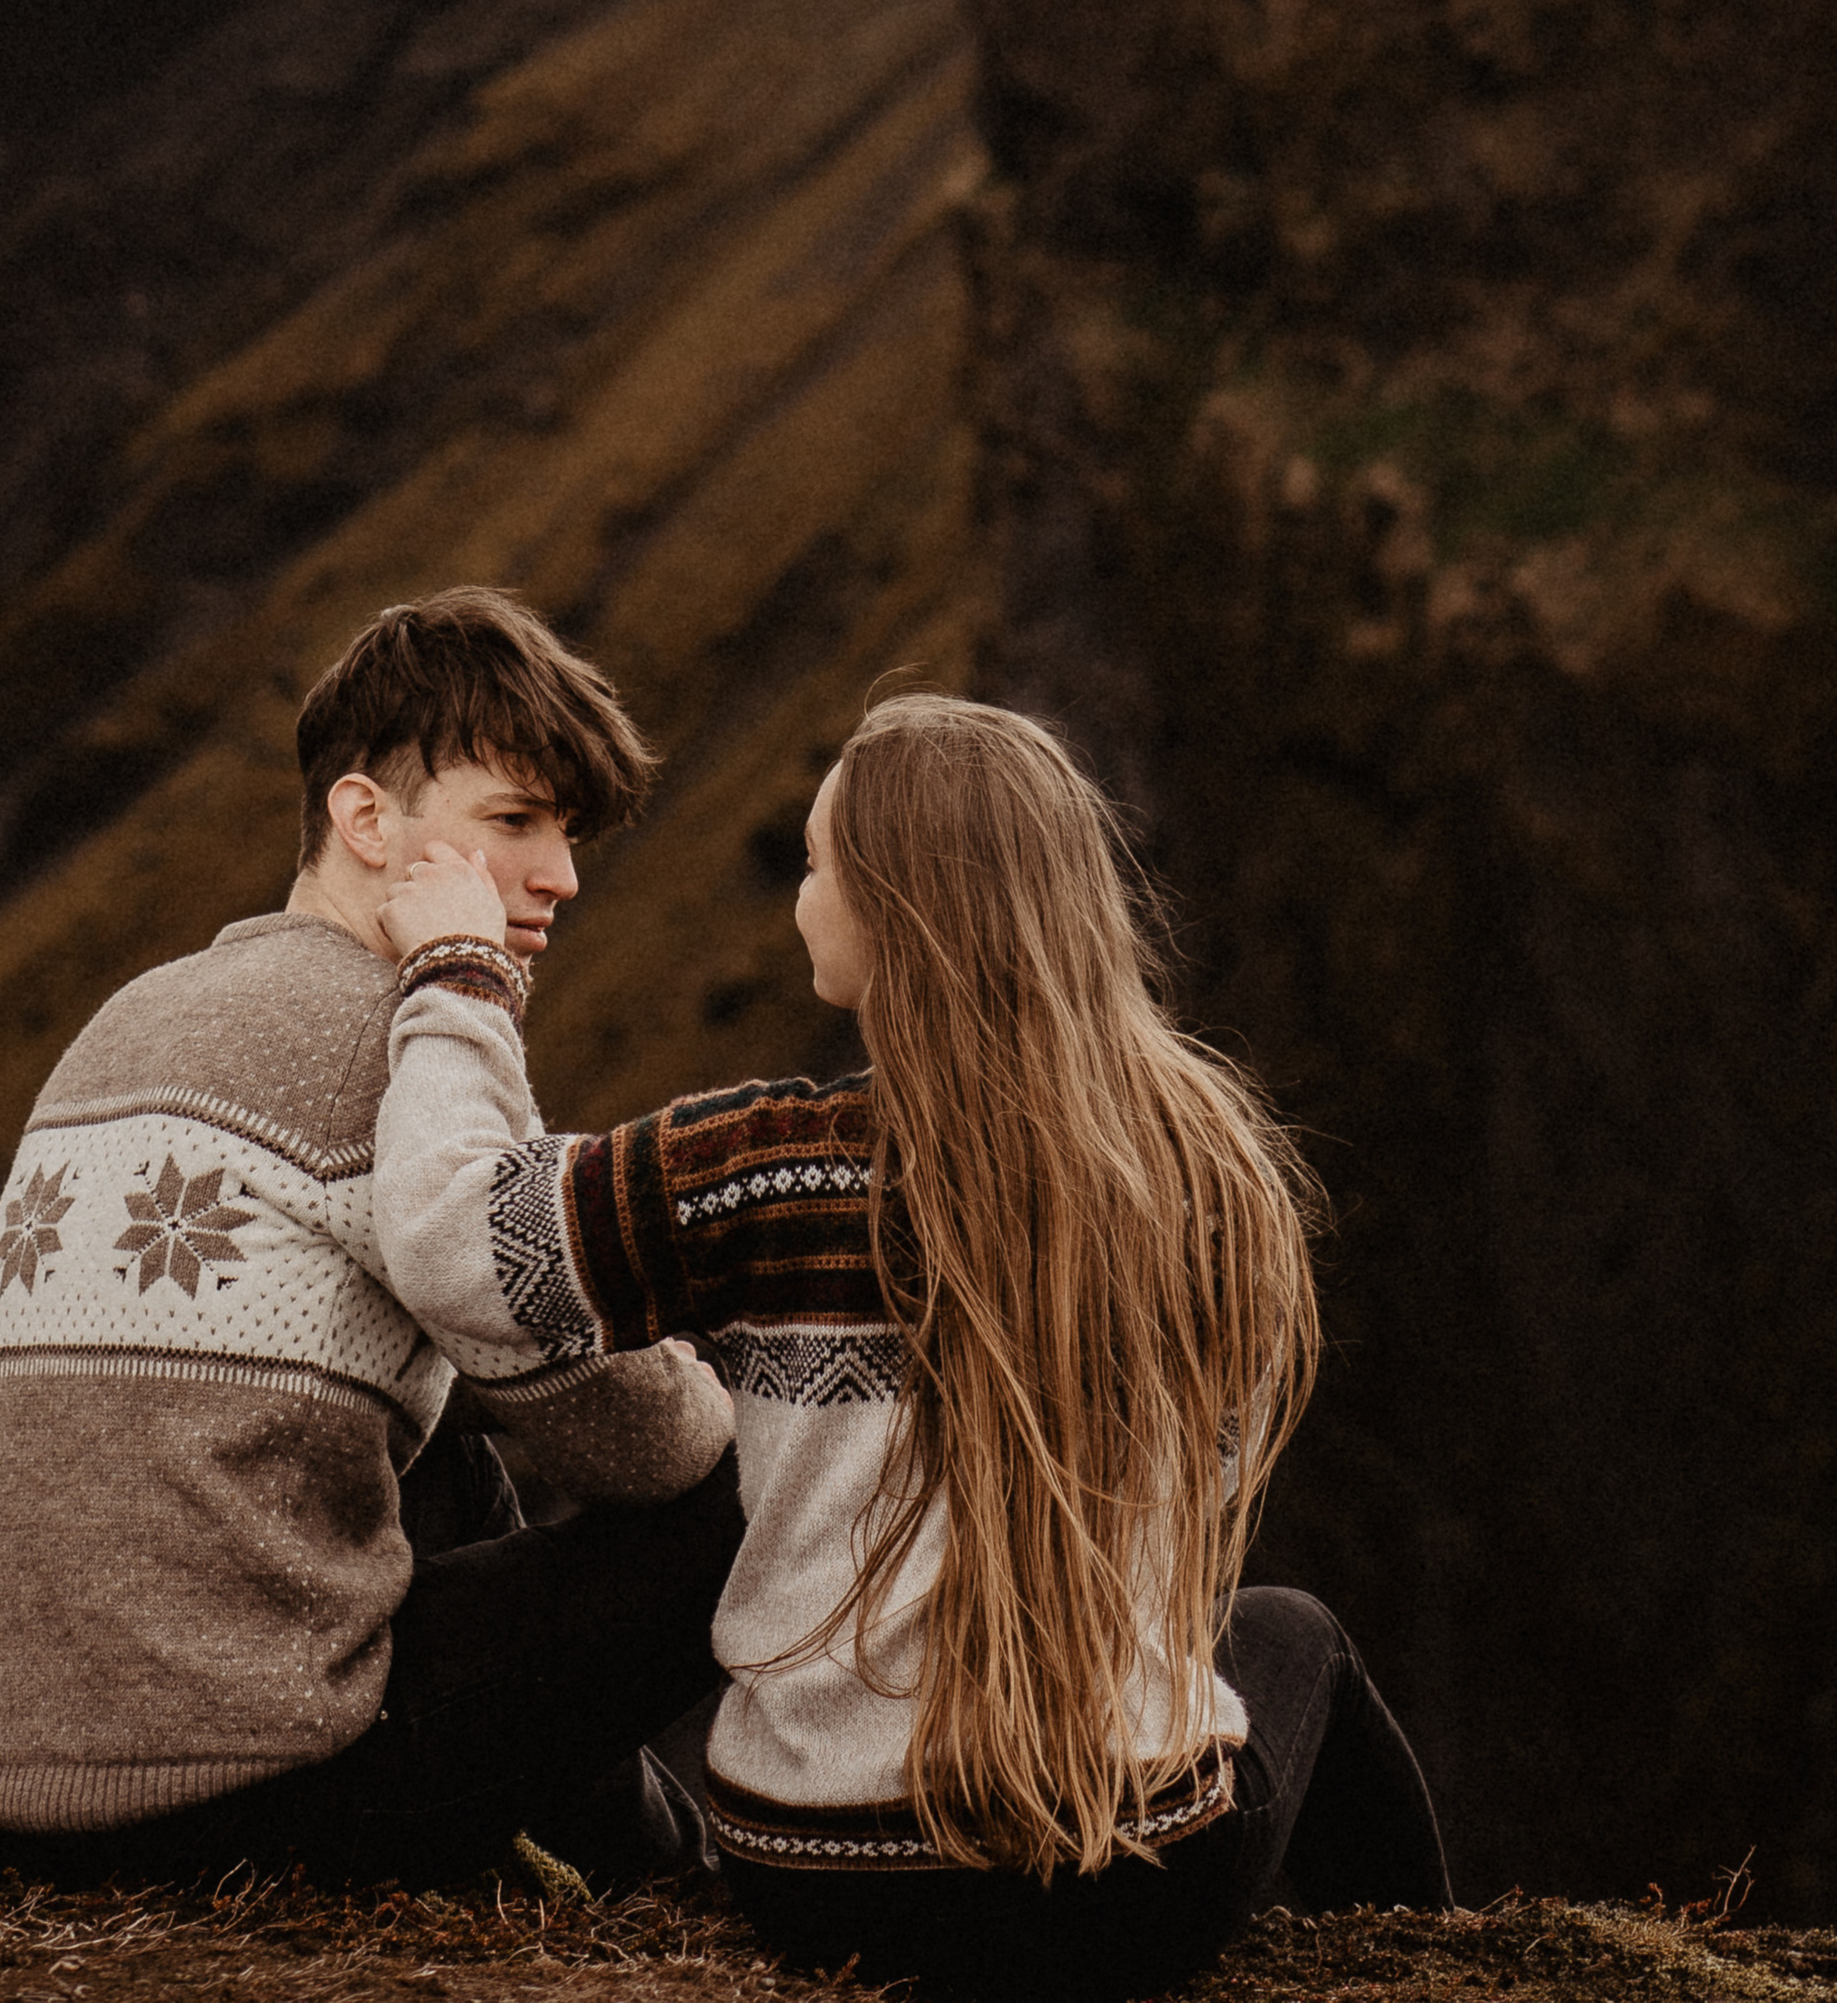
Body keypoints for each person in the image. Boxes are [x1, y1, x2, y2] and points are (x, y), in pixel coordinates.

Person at [374, 691, 1452, 1998]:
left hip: (823, 1882)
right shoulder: (1211, 1175)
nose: (800, 895)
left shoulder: (767, 1174)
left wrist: (458, 974)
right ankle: (1440, 1966)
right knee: (1293, 1633)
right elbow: (1210, 1491)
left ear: (894, 907)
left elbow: (451, 1243)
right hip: (1137, 1889)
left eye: (821, 864)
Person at [0, 586, 739, 1887]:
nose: (563, 876)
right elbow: (639, 1438)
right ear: (366, 819)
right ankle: (686, 1882)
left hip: (23, 1788)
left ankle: (653, 1873)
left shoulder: (145, 1005)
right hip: (239, 1800)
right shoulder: (386, 1043)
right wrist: (726, 1379)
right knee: (754, 1489)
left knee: (448, 1449)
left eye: (569, 832)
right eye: (516, 823)